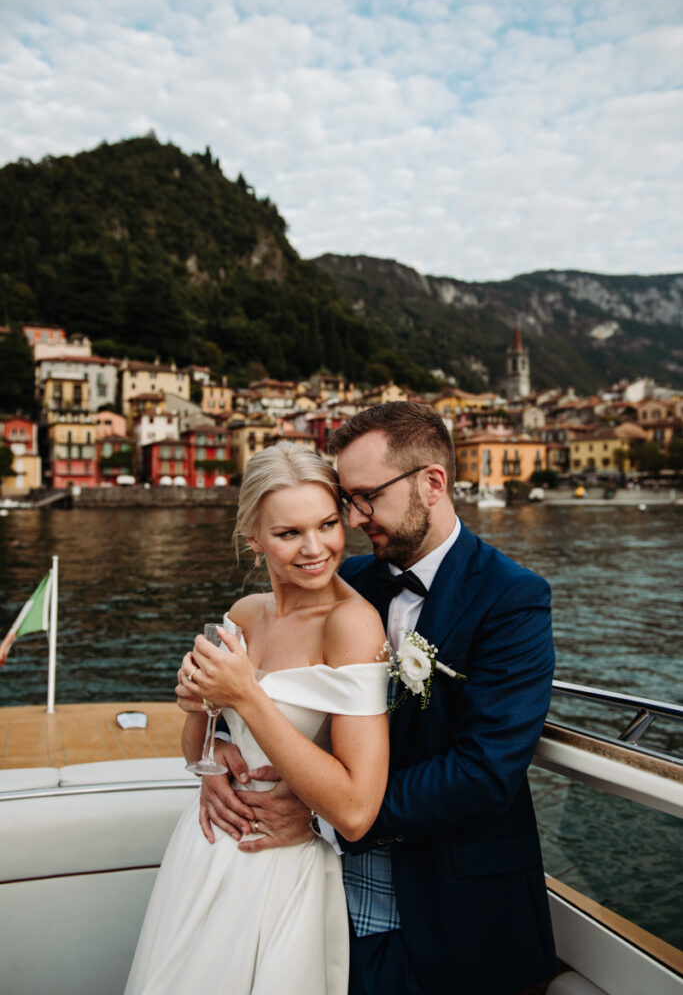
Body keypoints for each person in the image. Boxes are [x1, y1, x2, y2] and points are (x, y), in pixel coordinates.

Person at [202, 402, 557, 995]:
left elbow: (485, 771)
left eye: (368, 496)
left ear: (432, 483)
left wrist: (328, 813)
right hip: (325, 893)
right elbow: (260, 668)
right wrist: (218, 755)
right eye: (349, 499)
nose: (357, 517)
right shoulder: (344, 583)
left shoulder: (513, 598)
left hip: (458, 909)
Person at [124, 442, 389, 995]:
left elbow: (357, 810)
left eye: (327, 524)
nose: (314, 548)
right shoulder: (244, 615)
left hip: (279, 864)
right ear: (255, 540)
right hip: (205, 846)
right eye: (289, 533)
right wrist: (205, 738)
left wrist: (245, 696)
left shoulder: (352, 624)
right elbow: (196, 747)